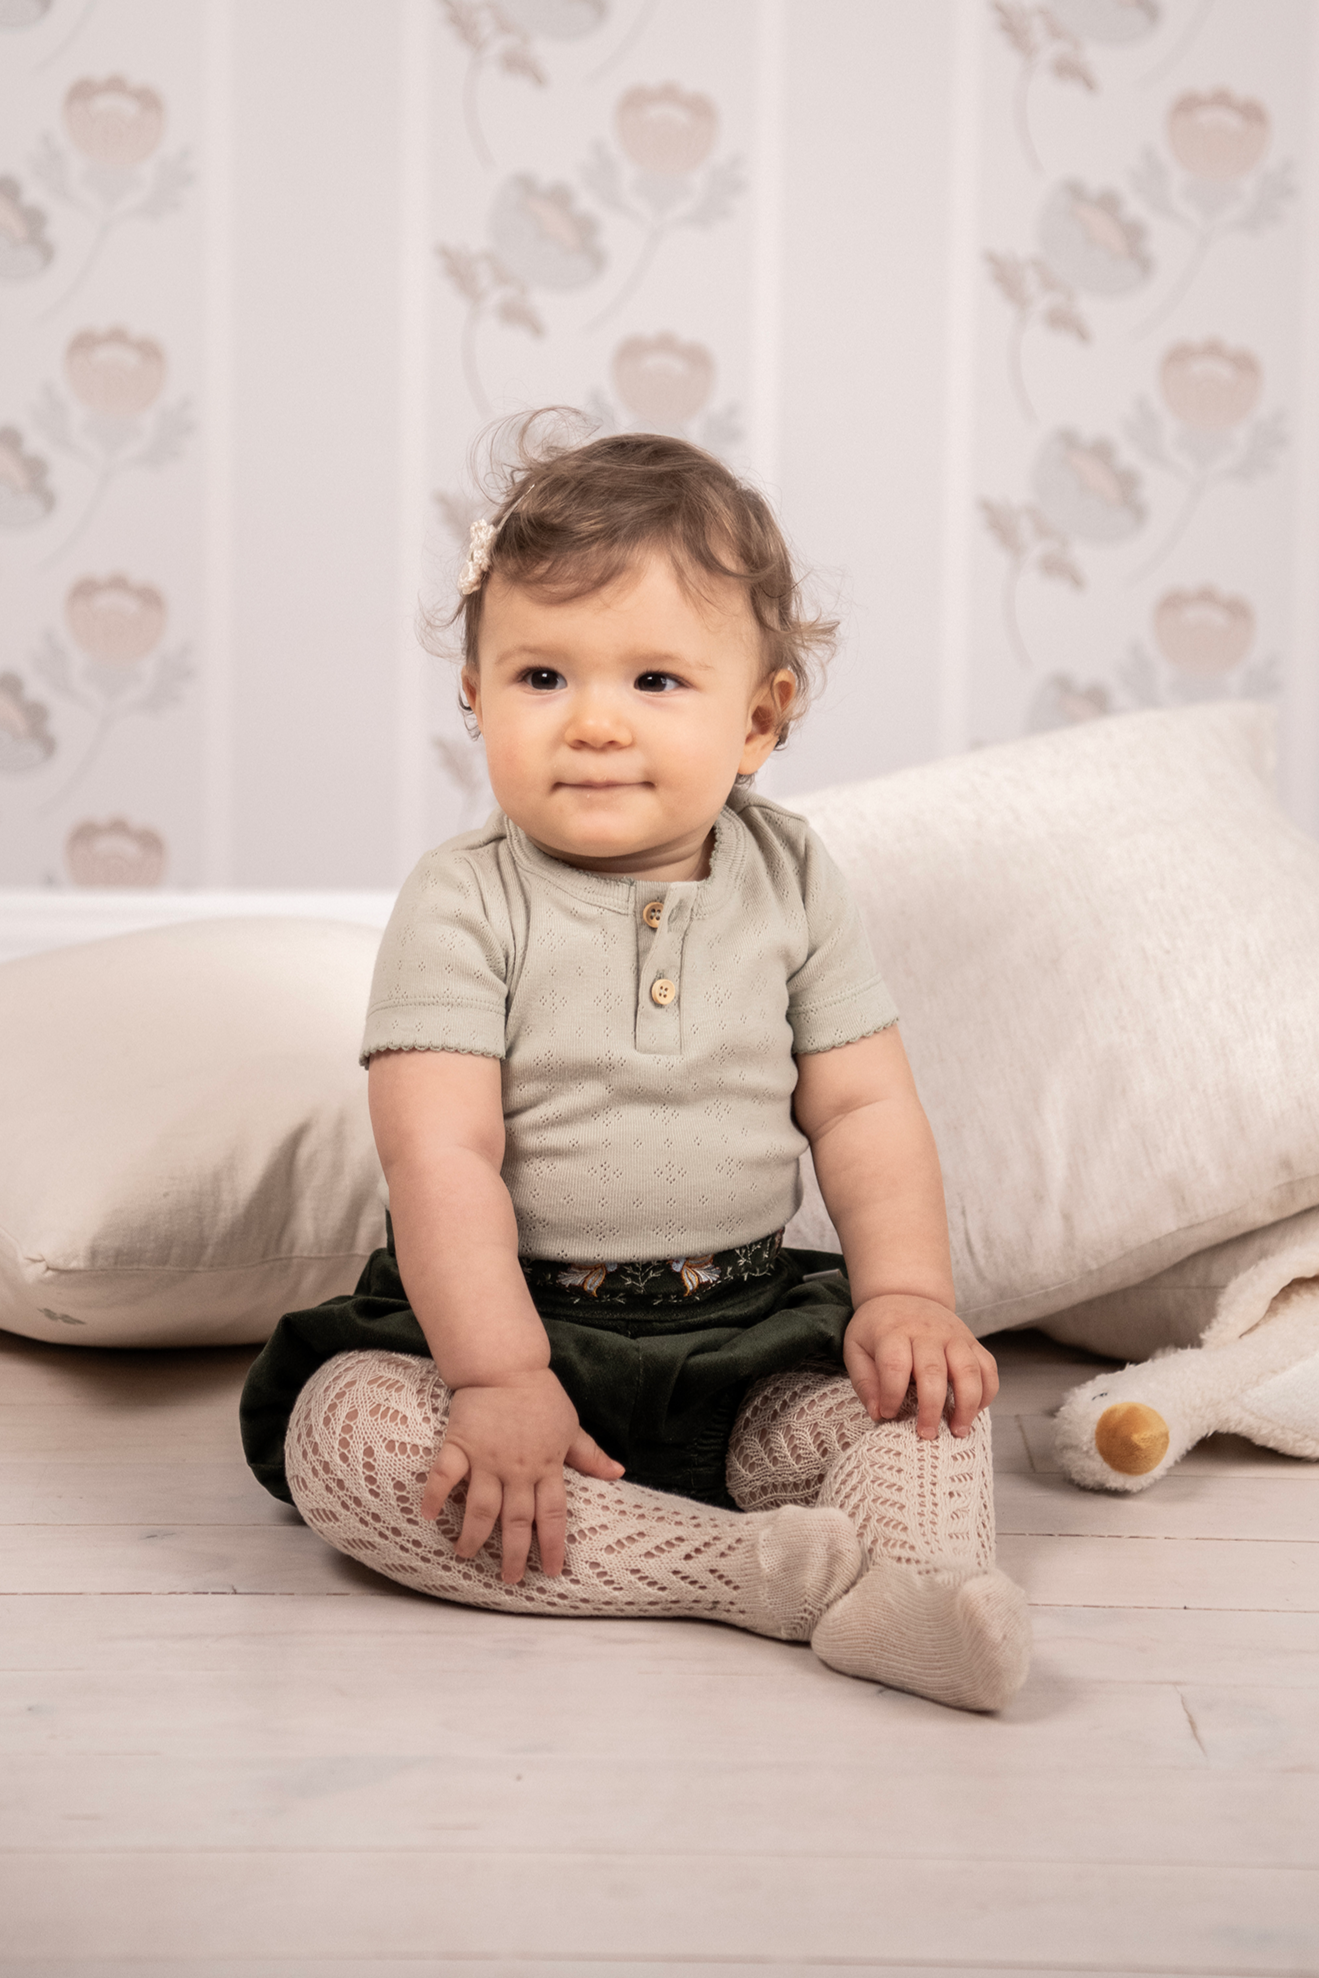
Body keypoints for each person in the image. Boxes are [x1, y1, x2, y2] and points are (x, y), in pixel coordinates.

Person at [240, 420, 1031, 1712]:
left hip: (743, 1340)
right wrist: (498, 1377)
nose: (594, 723)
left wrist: (906, 1294)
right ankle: (739, 1573)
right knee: (348, 1438)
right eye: (542, 676)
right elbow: (439, 1152)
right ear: (474, 693)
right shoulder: (462, 902)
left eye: (654, 682)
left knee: (919, 1409)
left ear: (759, 717)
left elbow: (862, 1102)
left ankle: (919, 1596)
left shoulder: (791, 882)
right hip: (507, 1332)